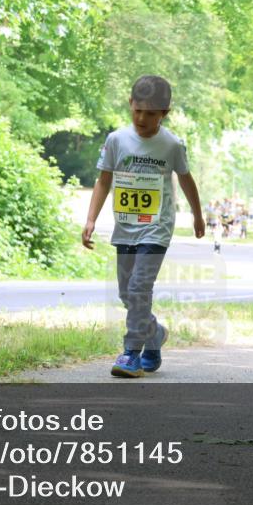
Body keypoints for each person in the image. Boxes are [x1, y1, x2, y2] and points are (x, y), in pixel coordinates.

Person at [82, 75, 205, 377]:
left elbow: (186, 179)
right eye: (138, 110)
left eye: (151, 113)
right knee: (127, 294)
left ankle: (130, 353)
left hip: (157, 228)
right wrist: (90, 219)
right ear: (130, 105)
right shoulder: (116, 140)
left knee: (139, 288)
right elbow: (103, 180)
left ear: (165, 113)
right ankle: (155, 335)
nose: (142, 118)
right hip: (125, 227)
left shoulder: (172, 144)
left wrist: (197, 214)